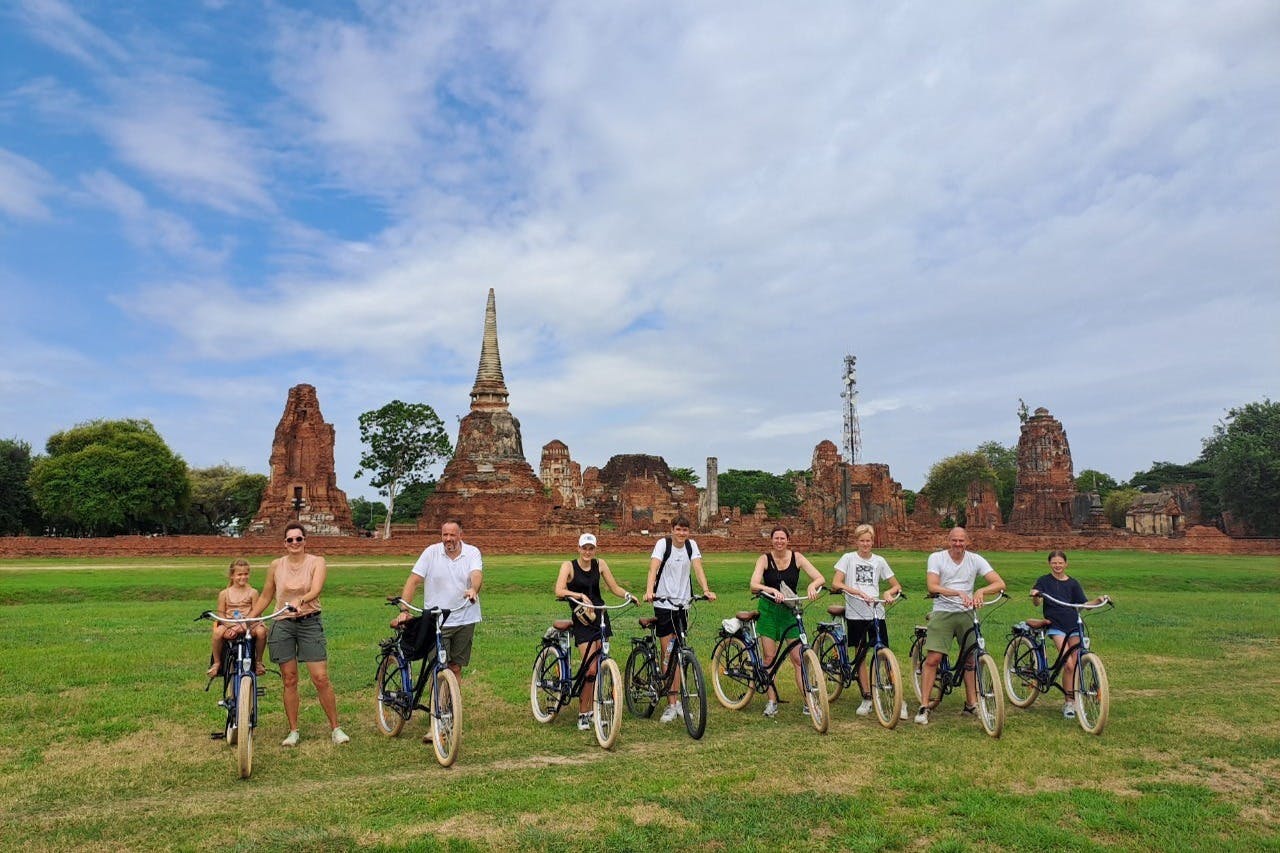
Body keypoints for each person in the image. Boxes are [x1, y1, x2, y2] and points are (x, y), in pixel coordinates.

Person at [251, 523, 349, 746]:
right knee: (290, 679)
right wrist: (251, 618)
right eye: (290, 540)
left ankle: (336, 728)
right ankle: (293, 730)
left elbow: (315, 590)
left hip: (309, 621)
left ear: (305, 541)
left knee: (320, 678)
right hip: (283, 623)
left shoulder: (317, 562)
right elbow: (266, 596)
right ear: (284, 543)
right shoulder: (276, 565)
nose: (294, 543)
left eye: (298, 539)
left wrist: (300, 600)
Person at [392, 519, 482, 740]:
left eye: (452, 535)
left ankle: (450, 713)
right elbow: (414, 580)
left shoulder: (471, 552)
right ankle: (436, 723)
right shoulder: (431, 553)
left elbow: (476, 574)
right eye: (444, 535)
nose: (448, 539)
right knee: (438, 670)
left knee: (455, 668)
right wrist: (404, 609)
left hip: (463, 617)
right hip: (436, 619)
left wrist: (473, 589)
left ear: (461, 534)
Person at [915, 527, 1005, 725]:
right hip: (943, 610)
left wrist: (981, 591)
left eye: (961, 541)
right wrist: (957, 593)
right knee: (934, 658)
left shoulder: (975, 559)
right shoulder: (936, 558)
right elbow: (932, 585)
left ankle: (971, 703)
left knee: (971, 659)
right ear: (948, 541)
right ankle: (924, 705)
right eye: (954, 540)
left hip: (967, 613)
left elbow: (999, 583)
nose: (958, 544)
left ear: (968, 541)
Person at [555, 533, 634, 730]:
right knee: (589, 669)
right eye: (585, 548)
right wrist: (579, 595)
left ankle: (593, 711)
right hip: (582, 617)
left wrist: (627, 595)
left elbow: (613, 587)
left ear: (595, 549)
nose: (588, 552)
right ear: (579, 548)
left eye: (591, 548)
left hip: (600, 616)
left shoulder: (601, 564)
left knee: (601, 665)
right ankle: (583, 712)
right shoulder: (568, 566)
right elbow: (559, 590)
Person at [643, 517, 717, 723]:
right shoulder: (663, 545)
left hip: (683, 604)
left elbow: (698, 568)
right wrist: (650, 590)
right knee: (668, 652)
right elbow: (653, 569)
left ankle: (680, 703)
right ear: (672, 530)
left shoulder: (691, 546)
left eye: (685, 530)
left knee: (680, 653)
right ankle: (671, 704)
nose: (682, 533)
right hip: (664, 604)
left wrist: (705, 590)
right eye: (678, 529)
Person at [748, 526, 825, 717]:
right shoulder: (764, 559)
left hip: (790, 611)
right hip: (769, 611)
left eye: (783, 538)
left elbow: (820, 578)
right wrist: (772, 590)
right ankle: (772, 700)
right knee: (769, 657)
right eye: (776, 538)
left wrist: (812, 586)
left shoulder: (797, 557)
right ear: (772, 540)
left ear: (788, 540)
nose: (779, 541)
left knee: (799, 659)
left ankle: (808, 701)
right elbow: (753, 585)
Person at [831, 524, 903, 718]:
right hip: (856, 612)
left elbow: (896, 585)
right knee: (861, 654)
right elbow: (836, 583)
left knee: (884, 653)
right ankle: (867, 696)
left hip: (876, 612)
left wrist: (888, 592)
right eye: (862, 540)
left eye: (868, 541)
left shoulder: (879, 561)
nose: (865, 544)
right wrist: (857, 592)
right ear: (857, 541)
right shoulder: (848, 558)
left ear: (873, 541)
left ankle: (896, 694)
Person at [1030, 550, 1111, 720]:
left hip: (1074, 625)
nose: (1057, 566)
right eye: (1054, 563)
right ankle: (1069, 702)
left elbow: (1084, 605)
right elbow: (1036, 601)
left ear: (1066, 564)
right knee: (1068, 664)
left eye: (1060, 563)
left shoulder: (1073, 583)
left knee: (1078, 663)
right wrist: (1035, 595)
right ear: (1049, 564)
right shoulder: (1044, 581)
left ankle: (1075, 698)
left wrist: (1099, 599)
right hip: (1056, 626)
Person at [207, 558, 267, 677]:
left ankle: (259, 661)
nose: (243, 577)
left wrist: (244, 626)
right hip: (229, 623)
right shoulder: (224, 593)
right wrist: (231, 627)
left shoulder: (253, 592)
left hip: (249, 623)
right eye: (239, 574)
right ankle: (217, 663)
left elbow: (256, 612)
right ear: (232, 576)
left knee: (261, 632)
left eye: (246, 574)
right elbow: (221, 614)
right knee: (217, 633)